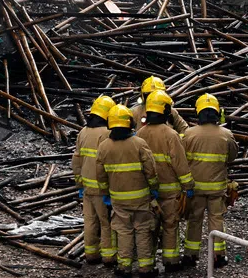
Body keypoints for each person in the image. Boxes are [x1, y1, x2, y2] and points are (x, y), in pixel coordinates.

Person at [96, 104, 159, 277]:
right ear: (129, 123)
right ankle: (145, 268)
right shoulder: (139, 143)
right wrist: (154, 188)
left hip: (118, 199)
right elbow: (150, 170)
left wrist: (105, 194)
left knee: (123, 232)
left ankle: (124, 267)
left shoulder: (103, 146)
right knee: (143, 230)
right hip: (141, 198)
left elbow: (100, 175)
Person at [136, 90, 194, 272]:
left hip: (148, 193)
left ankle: (147, 264)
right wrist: (188, 186)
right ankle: (171, 261)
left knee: (149, 229)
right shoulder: (171, 135)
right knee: (170, 226)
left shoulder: (139, 134)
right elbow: (180, 164)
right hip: (170, 193)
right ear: (166, 111)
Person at [182, 93, 238, 268]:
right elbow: (232, 157)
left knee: (194, 220)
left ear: (198, 112)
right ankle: (219, 256)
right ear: (217, 113)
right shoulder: (226, 134)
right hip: (216, 188)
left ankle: (190, 256)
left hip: (195, 188)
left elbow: (181, 159)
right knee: (216, 220)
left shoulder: (188, 134)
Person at [72, 95, 117, 265]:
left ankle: (91, 254)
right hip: (101, 188)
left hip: (87, 187)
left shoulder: (83, 132)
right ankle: (108, 256)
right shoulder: (106, 134)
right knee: (106, 222)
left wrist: (79, 183)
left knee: (90, 221)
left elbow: (76, 160)